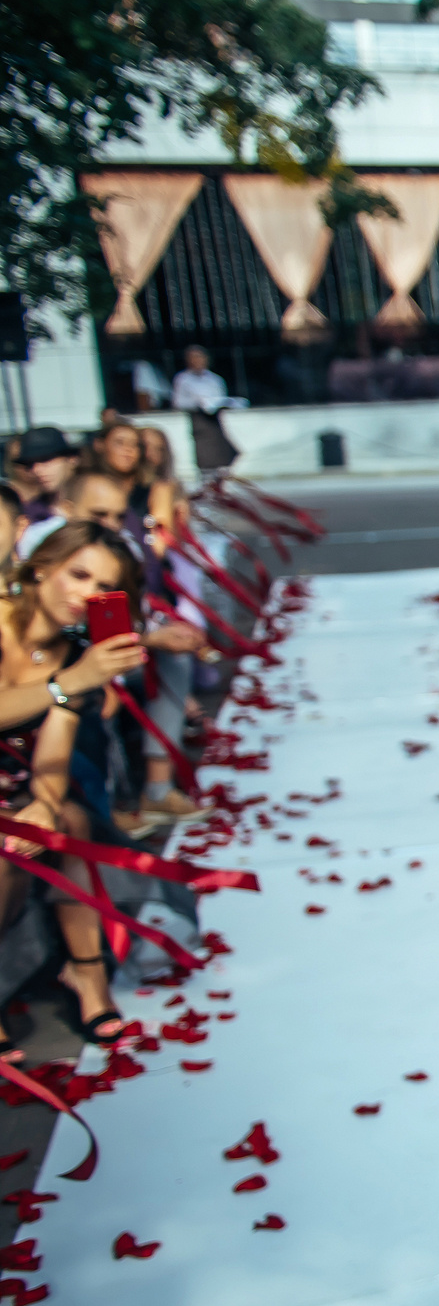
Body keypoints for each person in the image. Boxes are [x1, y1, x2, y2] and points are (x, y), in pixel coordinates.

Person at [0, 523, 155, 1057]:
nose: (86, 594)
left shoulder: (74, 656)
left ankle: (87, 976)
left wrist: (43, 805)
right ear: (41, 567)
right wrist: (68, 683)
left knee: (70, 819)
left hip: (16, 784)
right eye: (78, 574)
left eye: (102, 587)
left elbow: (54, 747)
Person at [58, 470, 207, 829]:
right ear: (67, 509)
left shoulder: (119, 545)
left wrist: (156, 634)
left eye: (117, 515)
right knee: (92, 697)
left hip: (99, 656)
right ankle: (104, 809)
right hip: (60, 668)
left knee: (172, 660)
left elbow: (124, 616)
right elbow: (67, 635)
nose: (110, 524)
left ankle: (156, 790)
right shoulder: (51, 548)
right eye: (98, 515)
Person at [170, 346, 239, 473]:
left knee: (223, 456)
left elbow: (221, 397)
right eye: (194, 358)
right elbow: (178, 402)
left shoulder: (215, 379)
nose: (198, 361)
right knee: (206, 457)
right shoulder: (182, 379)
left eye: (200, 357)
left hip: (216, 421)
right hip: (199, 420)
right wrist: (197, 403)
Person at [13, 429, 78, 526]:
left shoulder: (97, 499)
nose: (36, 470)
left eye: (45, 459)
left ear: (72, 459)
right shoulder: (29, 515)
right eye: (29, 464)